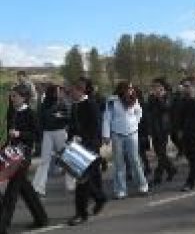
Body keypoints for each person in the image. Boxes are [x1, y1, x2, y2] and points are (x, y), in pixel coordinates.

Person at [0, 86, 48, 234]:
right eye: (11, 96)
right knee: (25, 189)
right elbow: (9, 134)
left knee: (11, 192)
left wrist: (19, 134)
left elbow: (37, 135)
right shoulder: (12, 111)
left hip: (23, 155)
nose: (12, 99)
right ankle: (41, 218)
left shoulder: (30, 113)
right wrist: (4, 146)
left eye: (14, 96)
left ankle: (2, 226)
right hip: (11, 153)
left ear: (23, 97)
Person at [67, 82, 107, 226]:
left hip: (89, 147)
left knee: (81, 181)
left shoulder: (91, 105)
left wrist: (84, 139)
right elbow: (72, 126)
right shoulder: (74, 106)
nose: (70, 94)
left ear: (80, 91)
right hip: (77, 147)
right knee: (84, 179)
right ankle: (99, 197)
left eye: (72, 91)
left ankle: (81, 214)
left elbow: (96, 127)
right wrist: (71, 139)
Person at [102, 82, 149, 199]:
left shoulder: (134, 99)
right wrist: (106, 135)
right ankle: (120, 189)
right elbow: (107, 118)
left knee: (135, 160)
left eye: (132, 88)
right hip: (117, 134)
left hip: (132, 133)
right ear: (122, 89)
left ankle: (143, 185)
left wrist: (135, 124)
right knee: (119, 162)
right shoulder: (112, 101)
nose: (131, 90)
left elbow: (139, 112)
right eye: (129, 88)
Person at [32, 84, 72, 196]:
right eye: (57, 92)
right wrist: (39, 137)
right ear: (52, 92)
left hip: (60, 131)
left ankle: (71, 184)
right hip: (47, 133)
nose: (59, 94)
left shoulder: (63, 103)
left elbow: (69, 117)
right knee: (44, 160)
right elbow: (39, 120)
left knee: (66, 159)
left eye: (59, 91)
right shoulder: (44, 104)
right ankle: (38, 187)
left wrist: (61, 116)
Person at [147, 78, 177, 186]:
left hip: (164, 128)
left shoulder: (167, 96)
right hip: (154, 128)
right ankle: (171, 169)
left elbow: (166, 108)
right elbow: (148, 111)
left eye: (157, 86)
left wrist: (159, 97)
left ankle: (158, 176)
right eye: (153, 86)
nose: (155, 88)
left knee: (161, 153)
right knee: (159, 153)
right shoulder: (151, 97)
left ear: (162, 87)